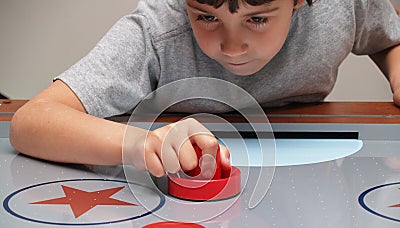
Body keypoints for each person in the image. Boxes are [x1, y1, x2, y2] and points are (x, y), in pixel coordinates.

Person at [9, 0, 400, 178]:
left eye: (258, 18)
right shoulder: (159, 29)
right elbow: (31, 121)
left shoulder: (344, 6)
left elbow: (389, 40)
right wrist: (144, 144)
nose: (231, 46)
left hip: (311, 174)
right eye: (207, 16)